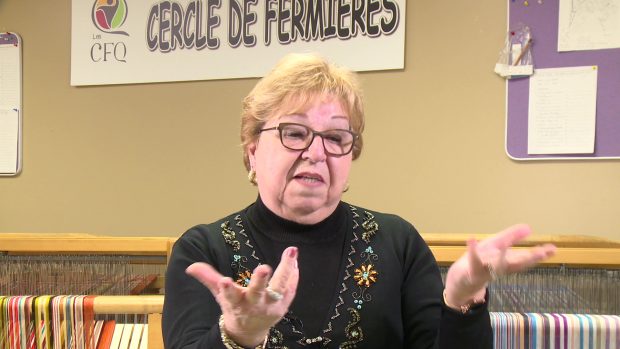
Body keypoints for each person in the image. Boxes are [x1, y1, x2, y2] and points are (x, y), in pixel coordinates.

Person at [162, 53, 556, 349]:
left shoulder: (397, 242)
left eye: (335, 138)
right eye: (294, 133)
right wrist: (238, 335)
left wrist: (460, 299)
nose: (316, 152)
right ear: (251, 151)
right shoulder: (202, 251)